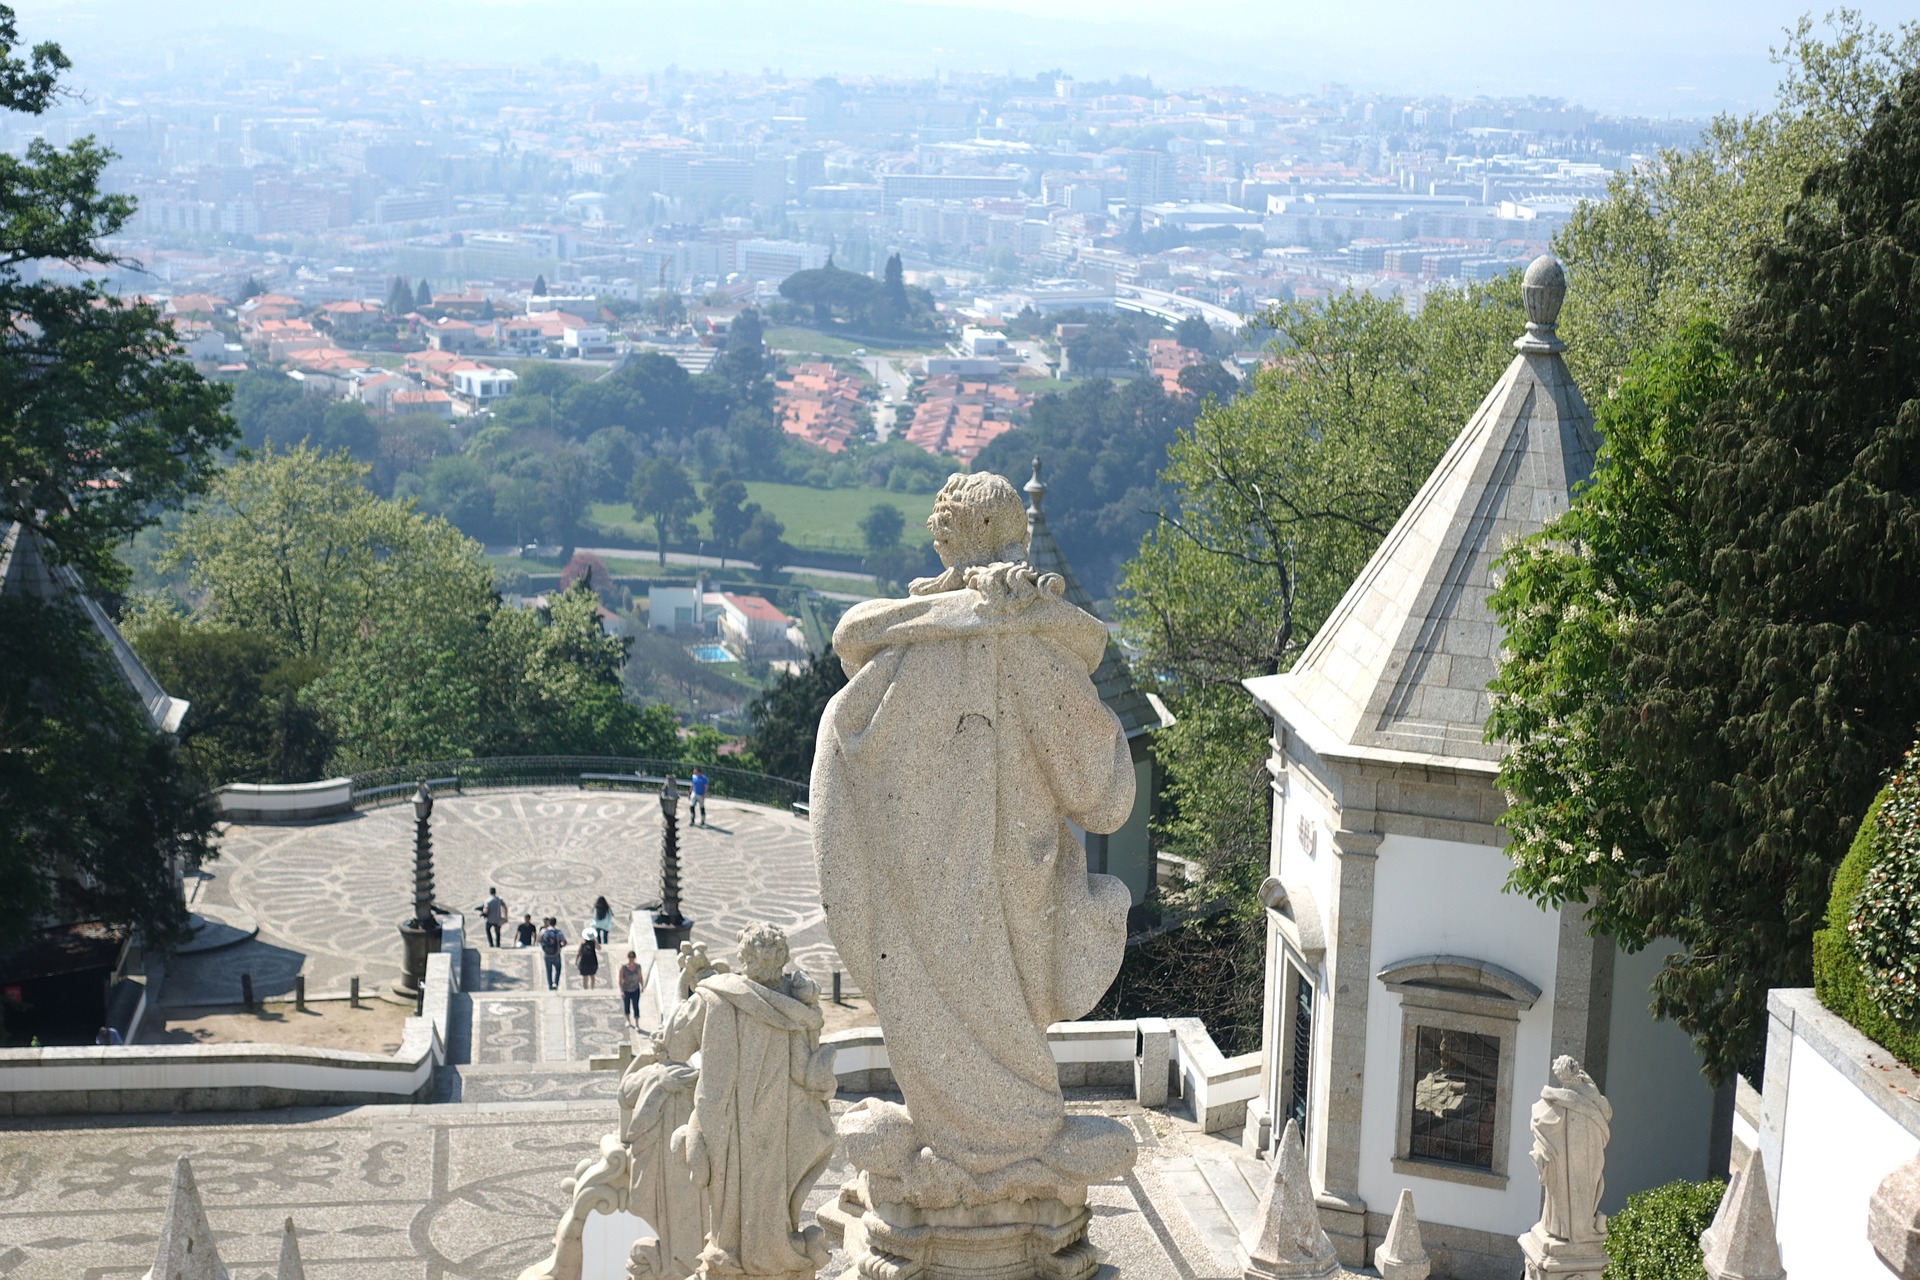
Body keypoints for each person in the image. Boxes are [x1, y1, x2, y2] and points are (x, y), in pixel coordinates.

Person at [812, 470, 1136, 1184]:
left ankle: (990, 1145)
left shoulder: (999, 637)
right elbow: (1103, 784)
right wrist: (975, 612)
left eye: (948, 526)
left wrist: (1023, 614)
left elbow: (1090, 650)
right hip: (983, 876)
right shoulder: (952, 633)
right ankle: (1003, 1145)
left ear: (965, 535)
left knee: (984, 1001)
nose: (939, 536)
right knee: (975, 999)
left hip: (983, 875)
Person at [618, 950, 646, 1027]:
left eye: (633, 957)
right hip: (626, 989)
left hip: (635, 989)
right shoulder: (623, 967)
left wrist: (642, 986)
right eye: (630, 957)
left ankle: (637, 1024)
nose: (631, 959)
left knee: (635, 1006)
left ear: (635, 958)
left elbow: (640, 977)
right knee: (626, 1005)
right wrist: (621, 991)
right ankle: (628, 1020)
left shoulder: (638, 967)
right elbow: (620, 979)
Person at [539, 917, 567, 990]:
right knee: (558, 969)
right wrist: (560, 946)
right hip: (556, 954)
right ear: (555, 923)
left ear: (549, 923)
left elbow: (539, 940)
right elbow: (564, 942)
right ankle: (556, 983)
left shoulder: (543, 931)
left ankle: (550, 986)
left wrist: (543, 947)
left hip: (546, 954)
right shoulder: (558, 932)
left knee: (548, 971)